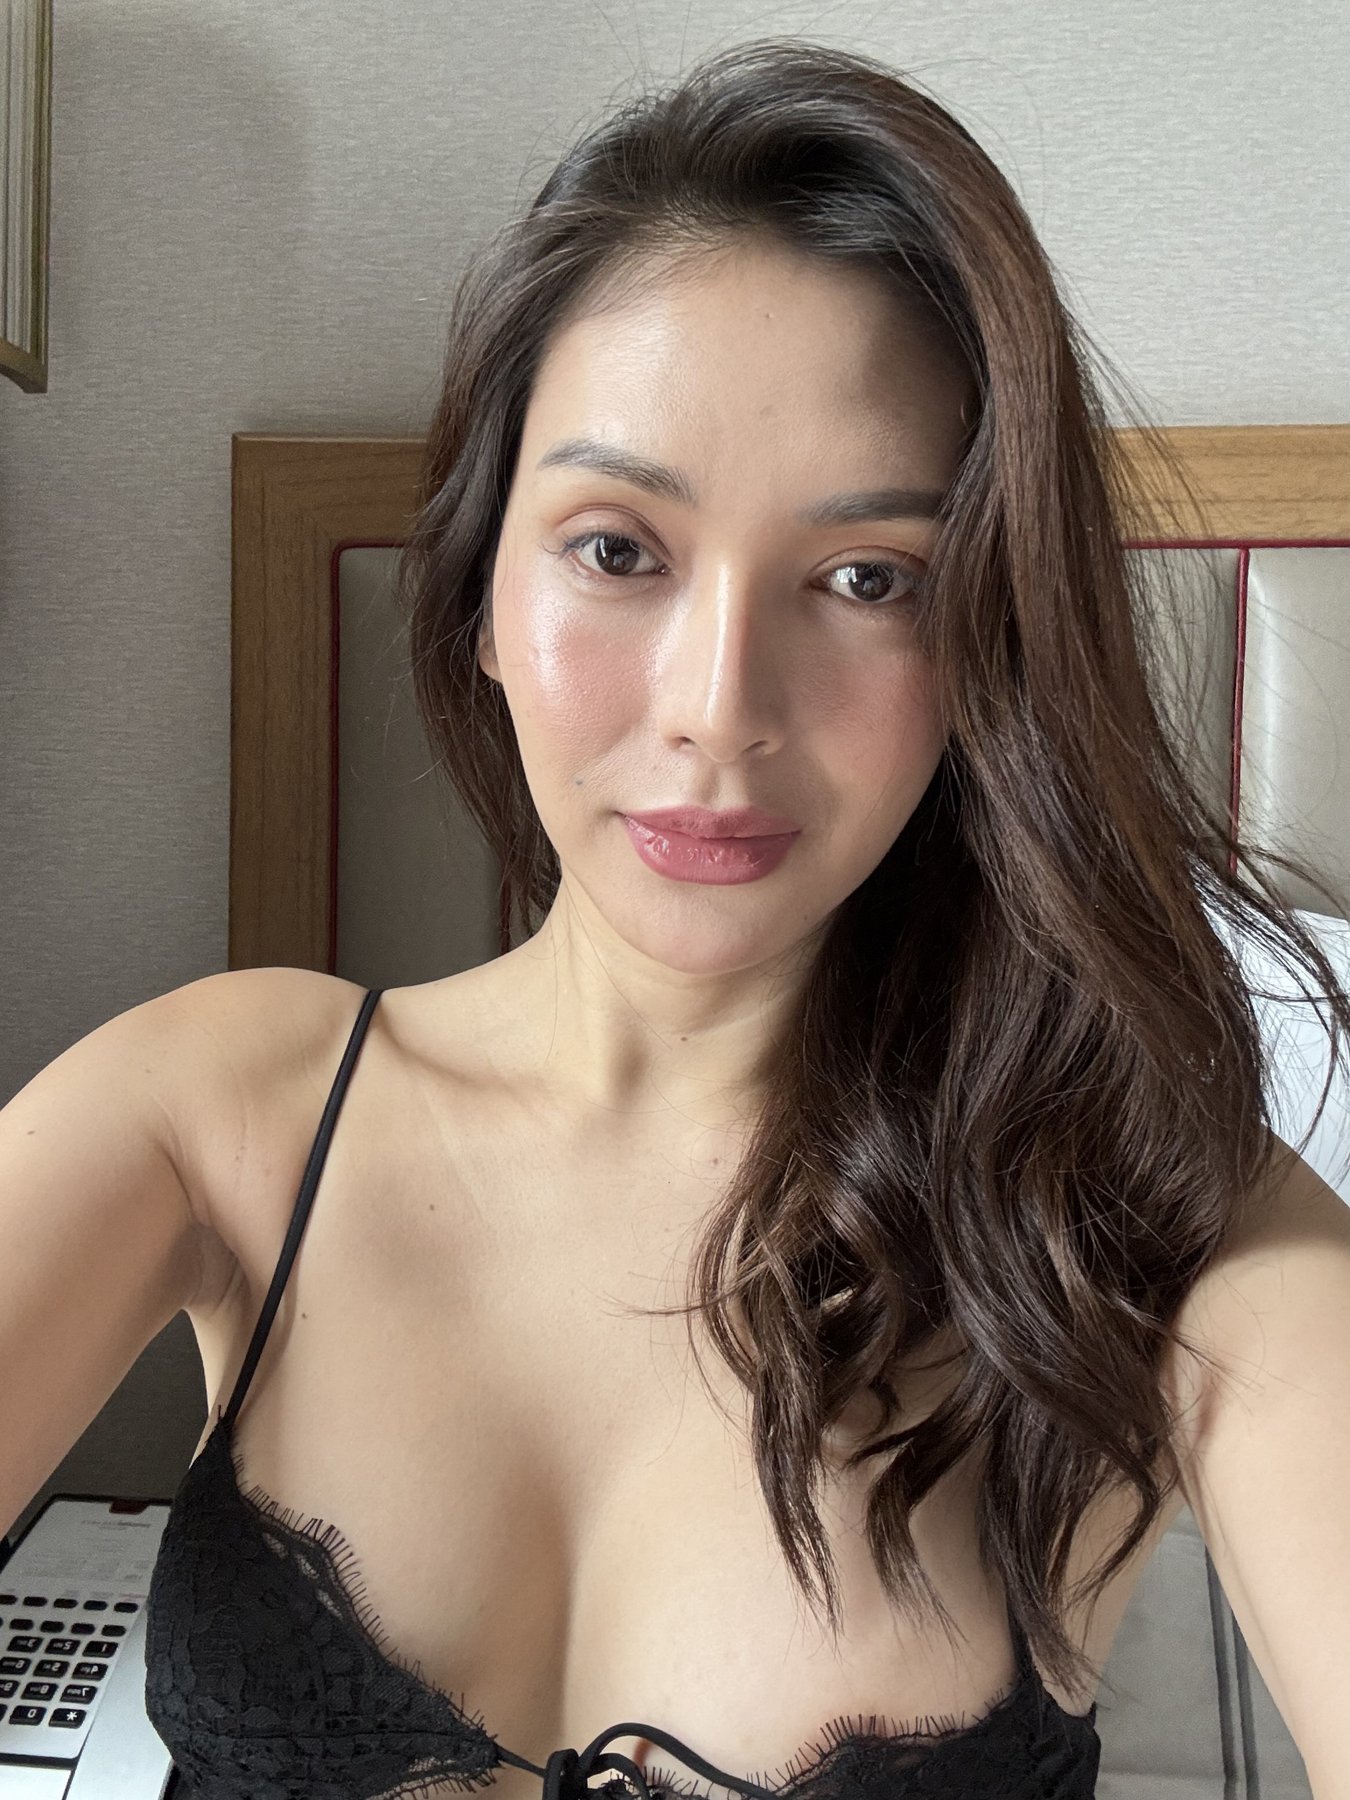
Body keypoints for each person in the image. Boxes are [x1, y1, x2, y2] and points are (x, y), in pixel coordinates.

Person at [5, 36, 1349, 1800]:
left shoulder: (1159, 1228)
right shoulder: (220, 1109)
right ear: (481, 593)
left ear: (988, 650)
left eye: (866, 578)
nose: (720, 708)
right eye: (618, 549)